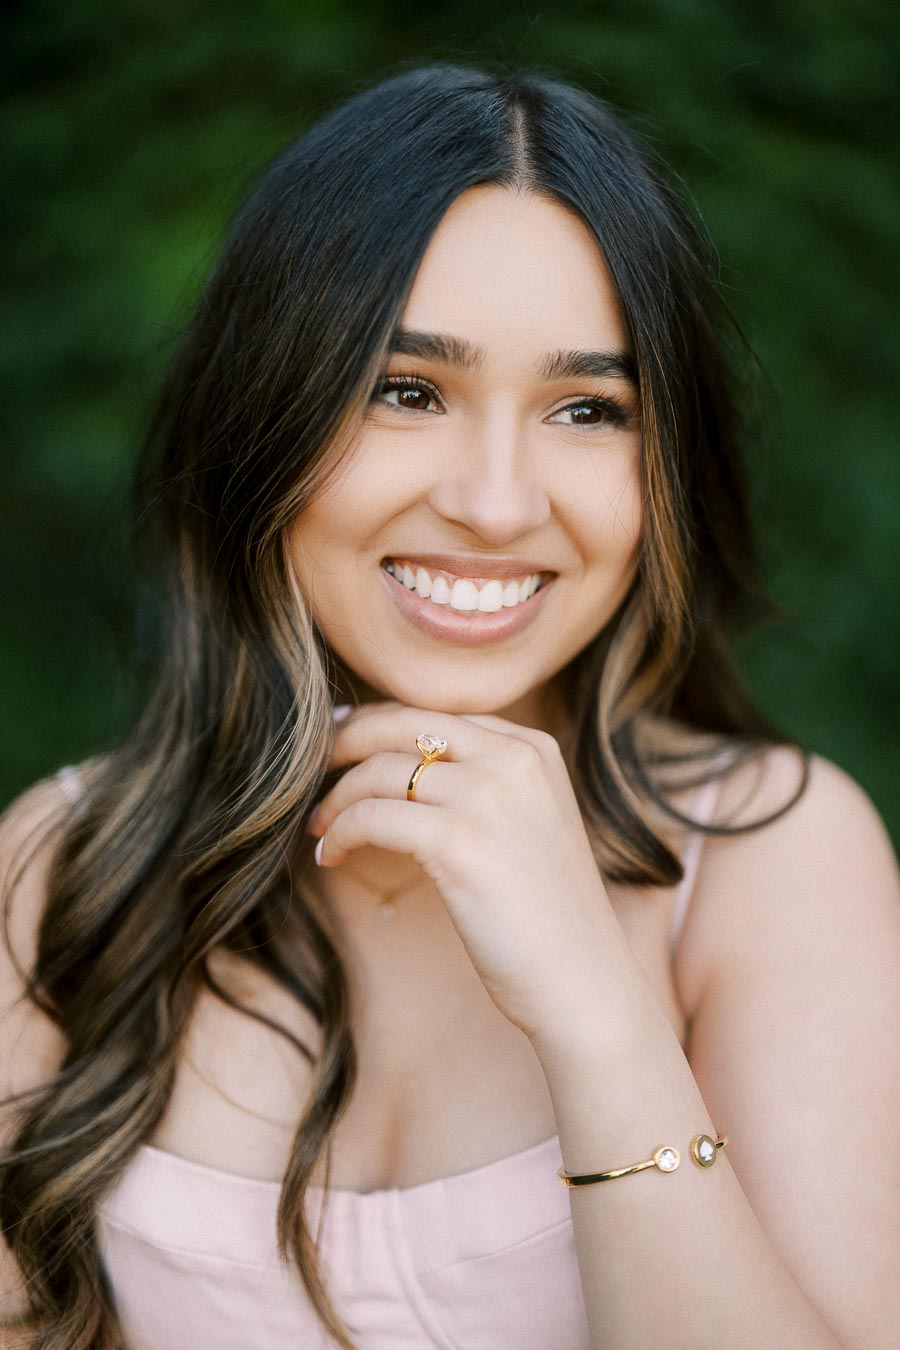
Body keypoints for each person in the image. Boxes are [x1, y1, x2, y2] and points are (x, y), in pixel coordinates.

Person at [1, 62, 898, 1350]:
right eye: (408, 390)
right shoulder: (63, 866)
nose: (495, 503)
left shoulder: (771, 855)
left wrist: (598, 1014)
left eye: (590, 409)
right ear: (263, 412)